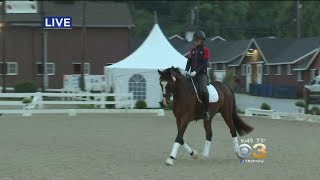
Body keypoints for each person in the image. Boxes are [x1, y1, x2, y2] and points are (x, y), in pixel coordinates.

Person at [185, 30, 210, 120]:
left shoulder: (205, 50)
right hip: (192, 74)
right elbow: (189, 61)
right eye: (195, 40)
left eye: (197, 40)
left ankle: (207, 111)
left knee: (204, 91)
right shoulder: (192, 51)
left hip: (201, 74)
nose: (195, 42)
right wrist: (186, 70)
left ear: (202, 40)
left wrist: (196, 71)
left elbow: (205, 64)